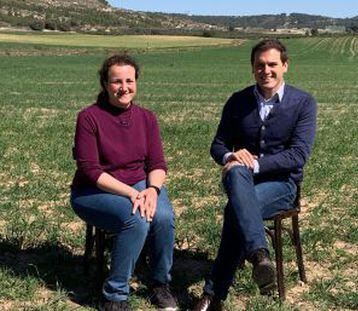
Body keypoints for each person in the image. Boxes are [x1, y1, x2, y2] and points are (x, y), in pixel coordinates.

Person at [193, 39, 317, 310]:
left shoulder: (303, 103)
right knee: (236, 174)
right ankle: (260, 256)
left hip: (282, 184)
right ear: (252, 68)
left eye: (272, 64)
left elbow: (298, 155)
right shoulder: (238, 101)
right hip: (242, 180)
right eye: (260, 65)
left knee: (234, 211)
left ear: (285, 66)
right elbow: (218, 145)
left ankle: (214, 295)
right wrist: (230, 156)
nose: (266, 70)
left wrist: (255, 164)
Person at [70, 54, 177, 311]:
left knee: (163, 217)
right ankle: (115, 296)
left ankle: (160, 283)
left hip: (141, 185)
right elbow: (90, 170)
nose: (124, 87)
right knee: (135, 219)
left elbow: (158, 164)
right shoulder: (89, 118)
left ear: (136, 82)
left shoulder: (147, 118)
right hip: (93, 191)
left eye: (129, 80)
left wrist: (152, 189)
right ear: (105, 84)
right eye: (117, 81)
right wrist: (132, 194)